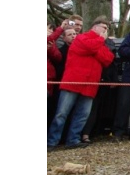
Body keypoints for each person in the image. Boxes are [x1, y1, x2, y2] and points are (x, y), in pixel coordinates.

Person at [48, 17, 115, 150]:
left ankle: (73, 139)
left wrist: (95, 47)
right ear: (95, 28)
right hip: (73, 81)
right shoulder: (80, 38)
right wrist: (99, 41)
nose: (105, 31)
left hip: (90, 84)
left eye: (107, 29)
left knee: (82, 114)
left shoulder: (98, 43)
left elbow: (108, 59)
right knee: (62, 113)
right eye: (104, 28)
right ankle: (51, 141)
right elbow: (89, 47)